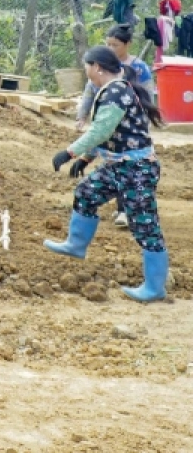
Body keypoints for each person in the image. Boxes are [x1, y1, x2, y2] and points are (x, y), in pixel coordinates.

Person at [47, 46, 169, 303]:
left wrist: (69, 153)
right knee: (86, 193)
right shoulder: (115, 89)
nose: (85, 71)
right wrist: (86, 158)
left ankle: (155, 287)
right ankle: (76, 245)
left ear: (97, 67)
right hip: (119, 165)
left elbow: (100, 132)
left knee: (145, 225)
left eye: (86, 66)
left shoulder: (115, 92)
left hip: (136, 169)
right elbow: (111, 133)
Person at [74, 24, 154, 227]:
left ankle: (125, 211)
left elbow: (147, 95)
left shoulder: (136, 69)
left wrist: (73, 153)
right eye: (107, 44)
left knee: (124, 165)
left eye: (115, 45)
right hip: (111, 129)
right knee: (115, 164)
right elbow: (89, 95)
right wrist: (82, 116)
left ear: (127, 45)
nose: (111, 48)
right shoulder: (101, 68)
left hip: (130, 129)